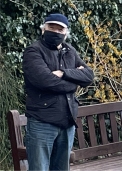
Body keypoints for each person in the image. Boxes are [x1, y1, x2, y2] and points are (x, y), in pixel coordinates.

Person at [22, 13, 94, 170]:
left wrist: (63, 73)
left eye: (60, 29)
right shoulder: (33, 52)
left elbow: (89, 76)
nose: (55, 32)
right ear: (43, 29)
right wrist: (74, 82)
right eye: (51, 27)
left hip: (67, 123)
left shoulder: (70, 51)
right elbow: (46, 81)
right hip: (42, 122)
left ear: (66, 32)